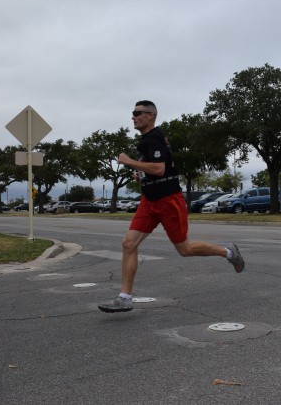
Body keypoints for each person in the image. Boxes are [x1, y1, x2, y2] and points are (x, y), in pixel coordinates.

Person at [98, 100, 244, 313]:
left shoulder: (155, 136)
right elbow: (155, 168)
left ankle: (229, 252)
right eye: (133, 113)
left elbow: (158, 168)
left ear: (150, 115)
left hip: (168, 201)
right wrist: (140, 173)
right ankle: (125, 298)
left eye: (137, 113)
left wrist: (130, 162)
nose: (133, 116)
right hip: (149, 201)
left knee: (185, 249)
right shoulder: (147, 140)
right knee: (128, 244)